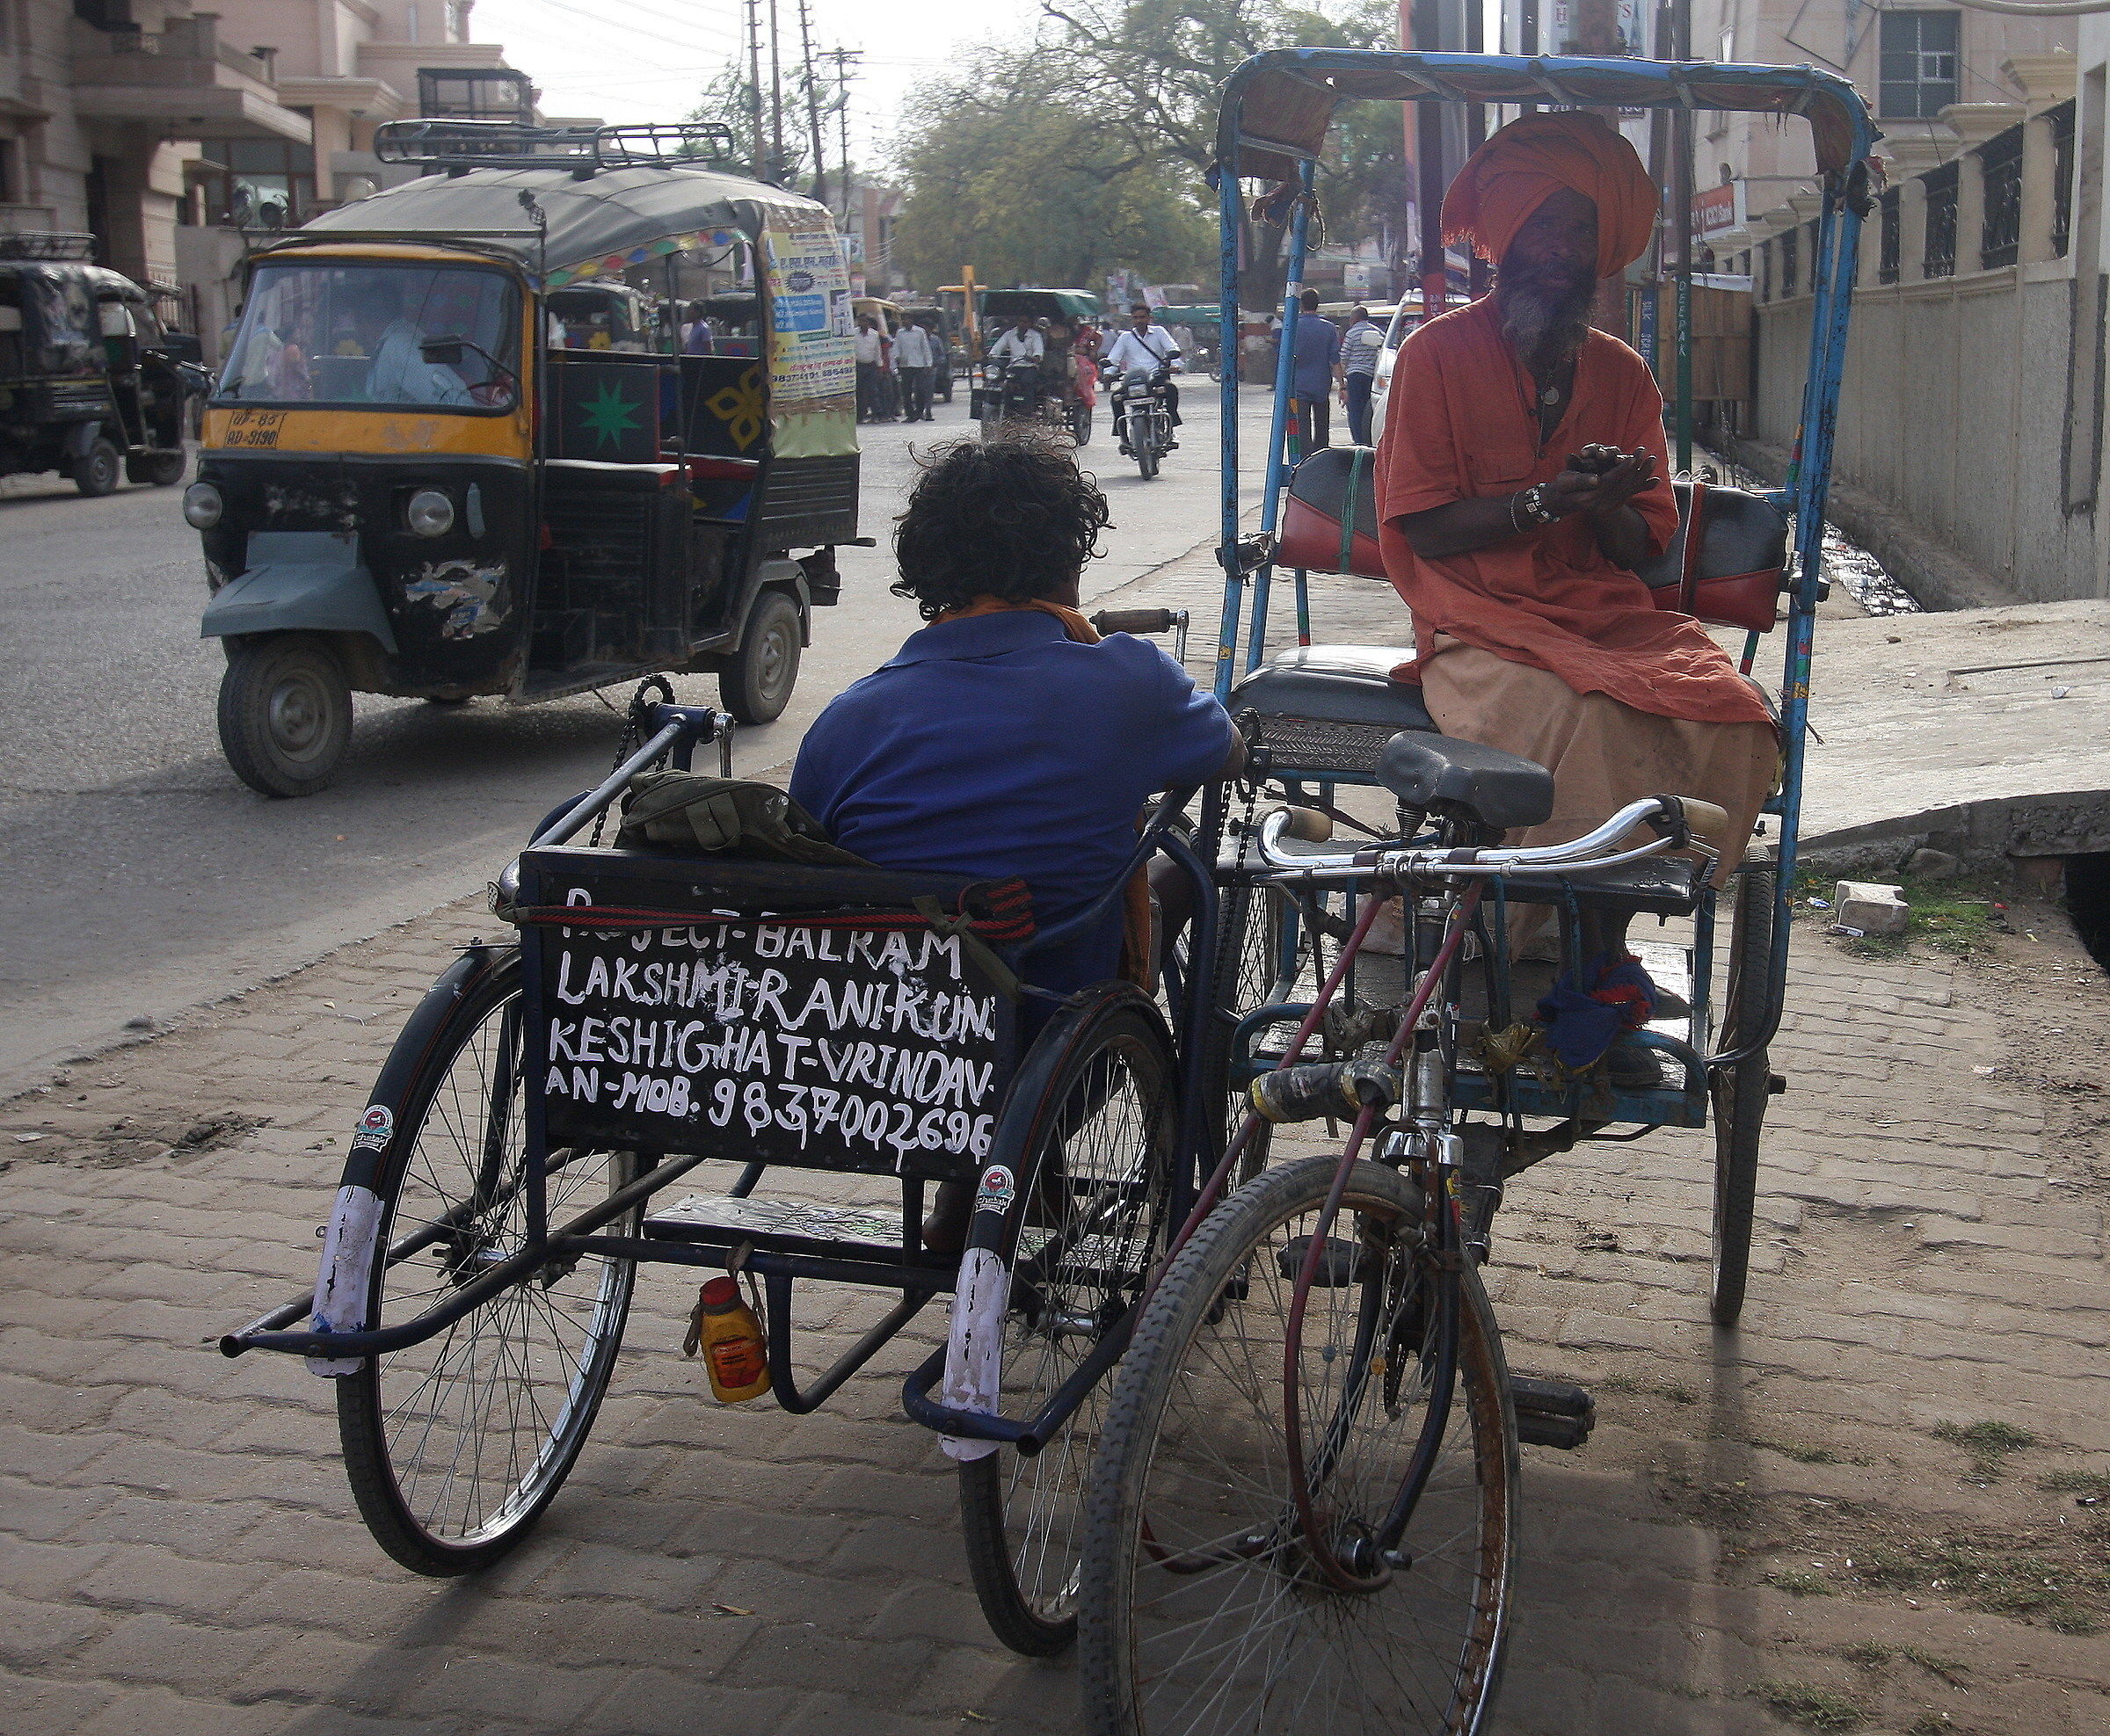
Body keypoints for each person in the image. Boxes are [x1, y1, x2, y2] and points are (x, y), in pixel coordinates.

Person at [1373, 110, 1777, 1073]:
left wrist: (1594, 507)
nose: (1564, 251)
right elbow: (1422, 525)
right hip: (1474, 616)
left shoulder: (1623, 373)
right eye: (1547, 228)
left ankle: (1603, 938)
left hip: (1605, 613)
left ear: (1606, 253)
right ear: (1507, 241)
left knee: (1730, 711)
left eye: (1583, 233)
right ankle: (1535, 950)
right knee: (1583, 717)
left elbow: (1643, 544)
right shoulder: (1436, 357)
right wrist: (1537, 505)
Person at [790, 433, 1242, 1244]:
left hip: (880, 1045)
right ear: (1067, 563)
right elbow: (1224, 747)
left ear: (932, 574)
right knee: (1192, 877)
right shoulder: (1125, 680)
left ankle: (1002, 1186)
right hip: (1048, 1033)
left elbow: (812, 844)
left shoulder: (851, 716)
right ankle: (1134, 1174)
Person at [1100, 302, 1183, 449]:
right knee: (1116, 398)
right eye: (1136, 318)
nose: (1139, 320)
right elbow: (1114, 359)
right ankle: (1123, 438)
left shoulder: (1159, 332)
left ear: (1149, 318)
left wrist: (1175, 365)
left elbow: (1173, 349)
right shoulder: (1125, 337)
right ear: (1132, 319)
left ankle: (1171, 430)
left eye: (1143, 317)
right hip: (1133, 380)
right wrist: (1108, 373)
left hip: (1157, 377)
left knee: (1171, 390)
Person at [1288, 287, 1341, 452]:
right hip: (1321, 385)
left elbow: (1286, 359)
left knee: (1301, 425)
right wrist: (1343, 385)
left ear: (1301, 305)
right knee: (1322, 426)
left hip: (1298, 387)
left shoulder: (1292, 327)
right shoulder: (1329, 328)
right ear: (1318, 305)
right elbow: (1335, 360)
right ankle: (1320, 457)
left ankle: (1305, 460)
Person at [1340, 304, 1384, 445]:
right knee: (1369, 409)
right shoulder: (1377, 332)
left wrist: (1343, 382)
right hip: (1371, 377)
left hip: (1354, 376)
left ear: (1354, 319)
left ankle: (1359, 441)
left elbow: (1344, 358)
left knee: (1354, 410)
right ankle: (1369, 438)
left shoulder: (1351, 333)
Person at [891, 315, 935, 421]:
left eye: (907, 319)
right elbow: (897, 347)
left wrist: (928, 364)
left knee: (920, 390)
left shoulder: (920, 332)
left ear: (911, 320)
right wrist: (896, 359)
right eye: (903, 320)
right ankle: (909, 414)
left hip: (918, 364)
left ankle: (919, 412)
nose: (905, 321)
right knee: (906, 391)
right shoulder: (900, 333)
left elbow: (925, 348)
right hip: (905, 365)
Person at [854, 314, 884, 423]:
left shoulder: (874, 334)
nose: (863, 324)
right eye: (860, 321)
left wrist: (880, 366)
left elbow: (877, 351)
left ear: (869, 323)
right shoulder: (853, 334)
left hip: (871, 366)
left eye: (865, 321)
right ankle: (860, 416)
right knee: (859, 392)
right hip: (858, 365)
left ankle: (876, 415)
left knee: (873, 390)